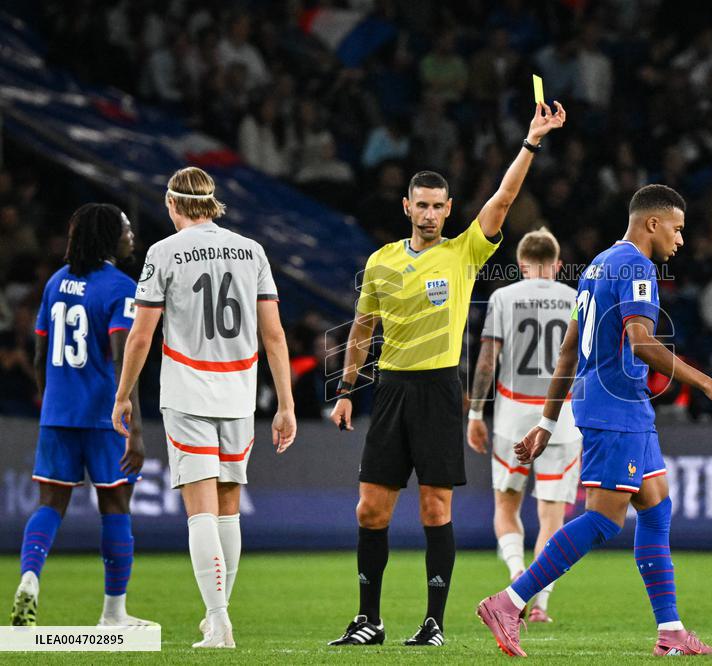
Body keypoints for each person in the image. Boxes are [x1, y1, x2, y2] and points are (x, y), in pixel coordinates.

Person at [328, 100, 566, 648]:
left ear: (449, 207)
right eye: (423, 205)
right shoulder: (382, 261)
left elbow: (504, 200)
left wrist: (531, 141)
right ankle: (369, 619)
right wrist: (345, 391)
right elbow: (362, 330)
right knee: (370, 506)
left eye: (439, 206)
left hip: (438, 389)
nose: (431, 214)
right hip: (389, 388)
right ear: (406, 205)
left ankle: (433, 622)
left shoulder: (464, 253)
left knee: (436, 506)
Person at [477, 184, 712, 657]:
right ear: (653, 223)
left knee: (656, 507)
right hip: (614, 408)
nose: (681, 241)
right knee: (602, 520)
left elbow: (568, 350)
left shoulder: (598, 264)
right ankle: (508, 601)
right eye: (678, 230)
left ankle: (671, 631)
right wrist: (708, 384)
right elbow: (641, 343)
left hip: (621, 405)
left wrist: (545, 421)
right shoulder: (637, 267)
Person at [111, 167, 297, 648]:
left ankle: (218, 621)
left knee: (200, 511)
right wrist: (286, 403)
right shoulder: (251, 250)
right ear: (212, 205)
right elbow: (273, 334)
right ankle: (219, 615)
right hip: (239, 392)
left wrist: (123, 394)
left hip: (189, 392)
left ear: (173, 206)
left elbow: (141, 336)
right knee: (229, 508)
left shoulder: (162, 252)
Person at [10, 204, 154, 627]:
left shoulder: (56, 282)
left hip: (58, 412)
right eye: (126, 229)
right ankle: (113, 614)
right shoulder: (121, 288)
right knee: (115, 504)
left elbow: (39, 352)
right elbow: (121, 361)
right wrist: (135, 431)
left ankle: (30, 578)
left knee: (50, 502)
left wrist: (51, 398)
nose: (131, 235)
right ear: (110, 236)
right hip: (103, 416)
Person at [467, 228, 581, 624]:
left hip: (513, 413)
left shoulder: (503, 297)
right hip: (561, 415)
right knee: (552, 515)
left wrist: (475, 413)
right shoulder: (575, 299)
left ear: (520, 265)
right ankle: (541, 602)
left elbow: (486, 361)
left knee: (506, 504)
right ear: (559, 265)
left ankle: (517, 572)